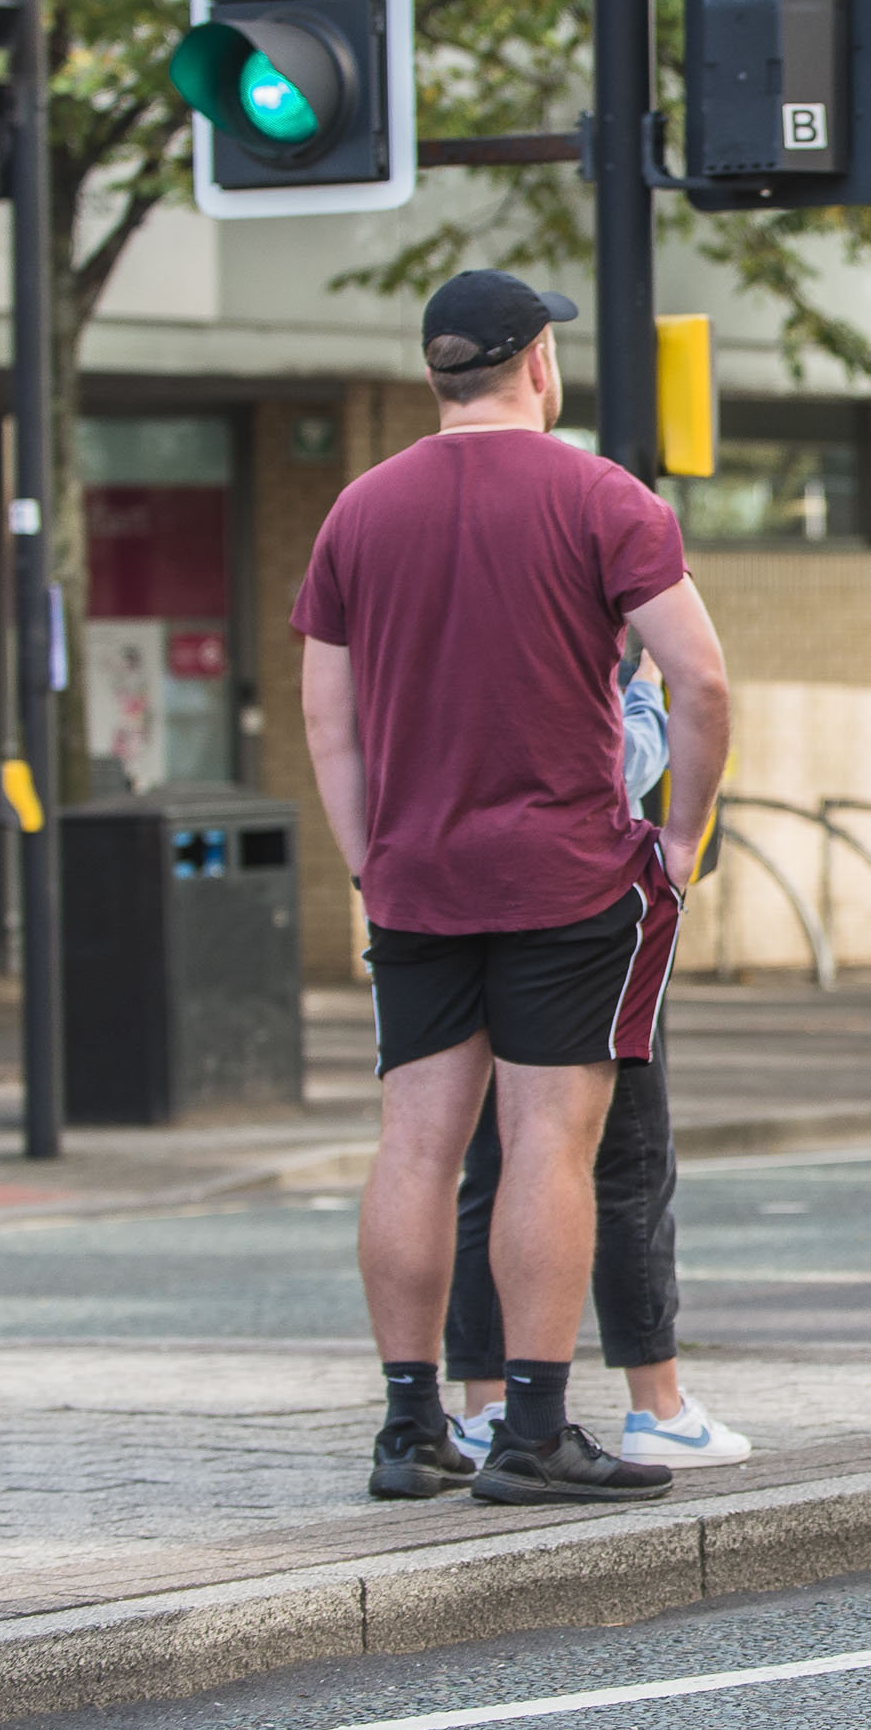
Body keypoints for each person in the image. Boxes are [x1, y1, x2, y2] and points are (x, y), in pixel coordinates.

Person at [293, 268, 732, 1507]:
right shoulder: (604, 499)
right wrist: (682, 834)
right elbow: (699, 682)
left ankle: (411, 1427)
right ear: (539, 362)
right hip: (568, 874)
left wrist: (368, 858)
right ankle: (536, 1428)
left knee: (417, 1145)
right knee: (550, 1136)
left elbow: (327, 718)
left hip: (414, 881)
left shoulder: (358, 512)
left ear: (437, 370)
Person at [447, 652, 751, 1468]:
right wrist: (649, 687)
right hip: (596, 916)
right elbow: (629, 757)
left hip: (465, 910)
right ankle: (656, 1404)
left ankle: (481, 1405)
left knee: (492, 1162)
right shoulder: (601, 593)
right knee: (628, 1162)